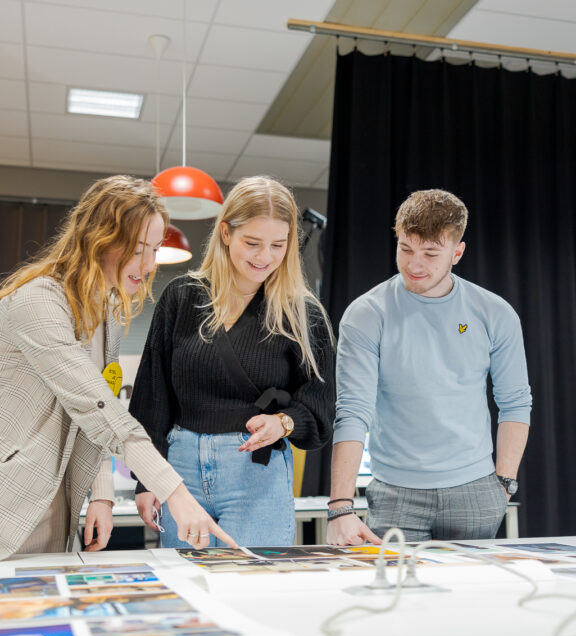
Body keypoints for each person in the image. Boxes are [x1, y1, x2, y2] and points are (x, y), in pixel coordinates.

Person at [0, 175, 236, 560]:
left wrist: (103, 496)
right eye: (139, 248)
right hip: (11, 503)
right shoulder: (39, 302)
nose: (148, 265)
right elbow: (98, 408)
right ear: (99, 237)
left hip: (56, 506)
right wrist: (175, 493)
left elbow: (92, 415)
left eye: (155, 249)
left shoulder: (106, 312)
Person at [129, 175, 335, 548]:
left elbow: (321, 402)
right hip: (180, 475)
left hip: (256, 476)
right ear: (226, 233)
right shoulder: (182, 297)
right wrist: (146, 480)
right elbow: (151, 396)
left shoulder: (303, 314)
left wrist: (283, 422)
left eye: (278, 245)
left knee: (254, 590)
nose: (265, 257)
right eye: (252, 243)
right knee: (188, 593)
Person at [328, 188, 532, 549]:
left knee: (474, 601)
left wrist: (504, 484)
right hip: (395, 494)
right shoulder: (366, 314)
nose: (414, 265)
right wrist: (340, 506)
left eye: (430, 253)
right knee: (398, 602)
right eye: (405, 249)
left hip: (477, 490)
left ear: (457, 252)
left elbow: (515, 402)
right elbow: (353, 410)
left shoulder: (494, 313)